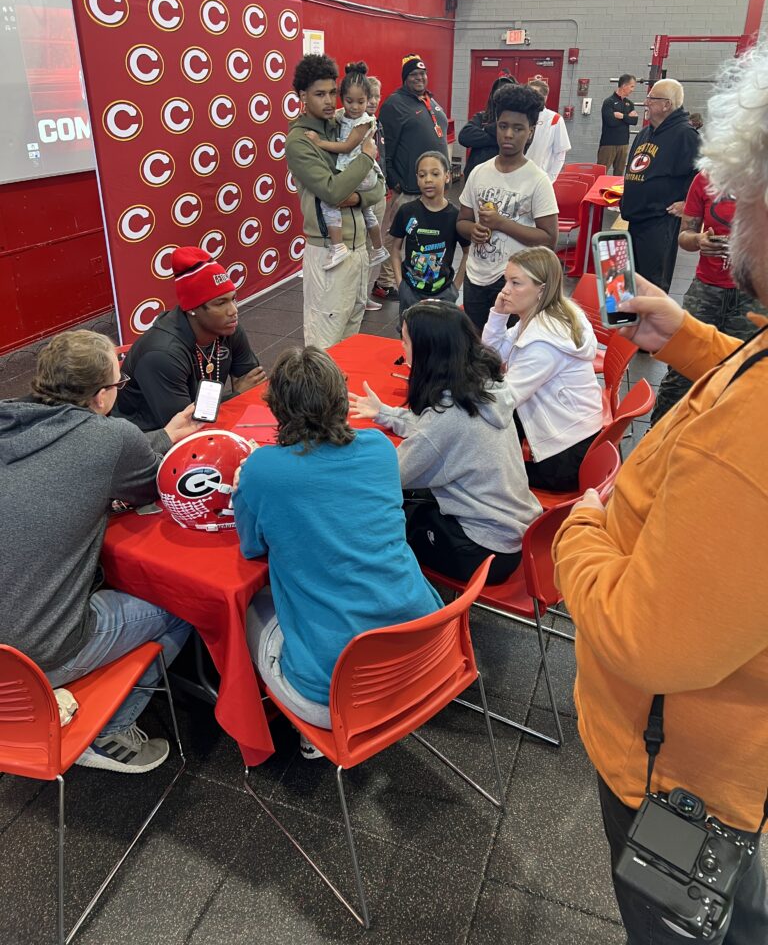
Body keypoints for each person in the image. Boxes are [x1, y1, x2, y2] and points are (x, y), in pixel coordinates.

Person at [553, 40, 768, 945]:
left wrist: (581, 528)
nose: (731, 217)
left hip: (685, 781)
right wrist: (690, 340)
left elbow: (652, 643)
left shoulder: (748, 444)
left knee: (672, 925)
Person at [0, 330, 196, 773]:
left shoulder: (9, 420)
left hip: (7, 654)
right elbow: (151, 483)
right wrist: (163, 442)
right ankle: (108, 730)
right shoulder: (112, 437)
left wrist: (161, 434)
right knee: (183, 604)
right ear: (102, 396)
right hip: (35, 660)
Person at [234, 346, 441, 751]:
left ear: (277, 408)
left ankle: (294, 730)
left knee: (245, 611)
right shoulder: (380, 448)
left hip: (334, 697)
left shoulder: (262, 469)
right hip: (427, 656)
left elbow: (250, 546)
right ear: (341, 399)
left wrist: (247, 485)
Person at [349, 300, 541, 584]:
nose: (401, 349)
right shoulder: (484, 387)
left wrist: (341, 456)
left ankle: (385, 608)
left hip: (482, 551)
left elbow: (391, 475)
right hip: (513, 531)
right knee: (412, 498)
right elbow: (438, 432)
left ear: (428, 351)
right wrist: (386, 414)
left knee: (374, 519)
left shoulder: (447, 416)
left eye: (404, 341)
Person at [650, 170, 768, 423]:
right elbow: (685, 236)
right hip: (707, 288)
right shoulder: (706, 178)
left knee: (742, 372)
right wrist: (699, 240)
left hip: (754, 296)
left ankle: (717, 444)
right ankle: (659, 435)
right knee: (681, 368)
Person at [482, 247, 603, 491]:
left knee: (477, 467)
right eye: (506, 280)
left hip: (564, 458)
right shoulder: (550, 313)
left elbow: (504, 400)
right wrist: (498, 315)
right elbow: (493, 356)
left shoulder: (541, 342)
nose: (505, 291)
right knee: (484, 434)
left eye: (516, 283)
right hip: (577, 434)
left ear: (541, 289)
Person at [285, 53, 385, 349]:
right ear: (302, 96)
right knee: (324, 345)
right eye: (319, 94)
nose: (329, 101)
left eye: (332, 92)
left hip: (358, 250)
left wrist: (356, 197)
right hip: (328, 251)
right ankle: (322, 397)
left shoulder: (344, 125)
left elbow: (379, 188)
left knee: (351, 340)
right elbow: (331, 191)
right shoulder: (300, 141)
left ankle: (343, 396)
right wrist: (366, 157)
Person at [114, 246, 266, 430]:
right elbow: (184, 426)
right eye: (221, 303)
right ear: (192, 308)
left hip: (201, 421)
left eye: (233, 298)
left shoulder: (228, 329)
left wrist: (240, 396)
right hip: (149, 439)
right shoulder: (162, 354)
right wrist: (237, 394)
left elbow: (255, 385)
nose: (233, 310)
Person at [457, 83, 559, 333]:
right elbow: (462, 221)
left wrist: (502, 224)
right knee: (476, 345)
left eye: (518, 128)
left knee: (510, 351)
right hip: (477, 278)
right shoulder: (479, 172)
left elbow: (549, 239)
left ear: (531, 132)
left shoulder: (538, 180)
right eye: (503, 127)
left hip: (516, 282)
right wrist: (473, 231)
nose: (509, 135)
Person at [375, 54, 450, 301]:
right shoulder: (394, 104)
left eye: (423, 74)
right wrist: (392, 179)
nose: (420, 78)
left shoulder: (429, 99)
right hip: (407, 186)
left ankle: (421, 277)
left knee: (425, 234)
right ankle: (384, 282)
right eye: (414, 75)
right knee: (395, 235)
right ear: (405, 78)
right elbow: (385, 146)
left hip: (433, 185)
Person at [304, 61, 389, 271]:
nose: (354, 107)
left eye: (361, 102)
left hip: (359, 171)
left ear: (368, 100)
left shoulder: (363, 121)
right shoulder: (343, 114)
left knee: (329, 202)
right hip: (364, 172)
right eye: (349, 101)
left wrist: (319, 142)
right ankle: (378, 248)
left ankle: (338, 245)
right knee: (368, 211)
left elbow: (347, 146)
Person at [621, 78, 699, 293]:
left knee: (652, 284)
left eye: (651, 99)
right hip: (636, 216)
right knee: (631, 283)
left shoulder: (685, 135)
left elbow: (702, 175)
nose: (646, 103)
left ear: (667, 104)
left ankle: (653, 326)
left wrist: (687, 204)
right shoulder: (646, 132)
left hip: (659, 221)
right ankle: (632, 324)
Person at [389, 151, 469, 330]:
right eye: (422, 175)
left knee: (440, 340)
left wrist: (455, 288)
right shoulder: (407, 211)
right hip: (410, 291)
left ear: (447, 176)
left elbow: (467, 252)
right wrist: (400, 284)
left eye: (435, 173)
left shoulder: (455, 216)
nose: (428, 180)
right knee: (410, 338)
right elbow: (395, 249)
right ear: (417, 178)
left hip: (443, 293)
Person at [458, 75, 517, 180]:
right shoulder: (482, 117)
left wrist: (486, 130)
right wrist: (498, 138)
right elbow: (464, 137)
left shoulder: (518, 123)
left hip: (505, 179)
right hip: (476, 179)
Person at [364, 74, 387, 312]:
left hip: (379, 191)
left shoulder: (377, 123)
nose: (373, 101)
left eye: (377, 96)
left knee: (373, 247)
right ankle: (357, 297)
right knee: (364, 247)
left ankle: (365, 294)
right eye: (369, 96)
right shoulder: (357, 126)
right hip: (364, 195)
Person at [525, 79, 571, 182]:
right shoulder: (520, 116)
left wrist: (551, 179)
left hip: (540, 178)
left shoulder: (555, 119)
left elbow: (560, 154)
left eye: (534, 94)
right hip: (518, 176)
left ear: (544, 98)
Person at [597, 74, 638, 175]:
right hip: (609, 144)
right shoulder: (609, 102)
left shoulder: (629, 103)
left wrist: (622, 116)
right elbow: (611, 122)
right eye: (632, 86)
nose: (633, 89)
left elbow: (634, 121)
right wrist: (628, 117)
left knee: (619, 173)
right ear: (624, 86)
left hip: (624, 143)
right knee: (601, 172)